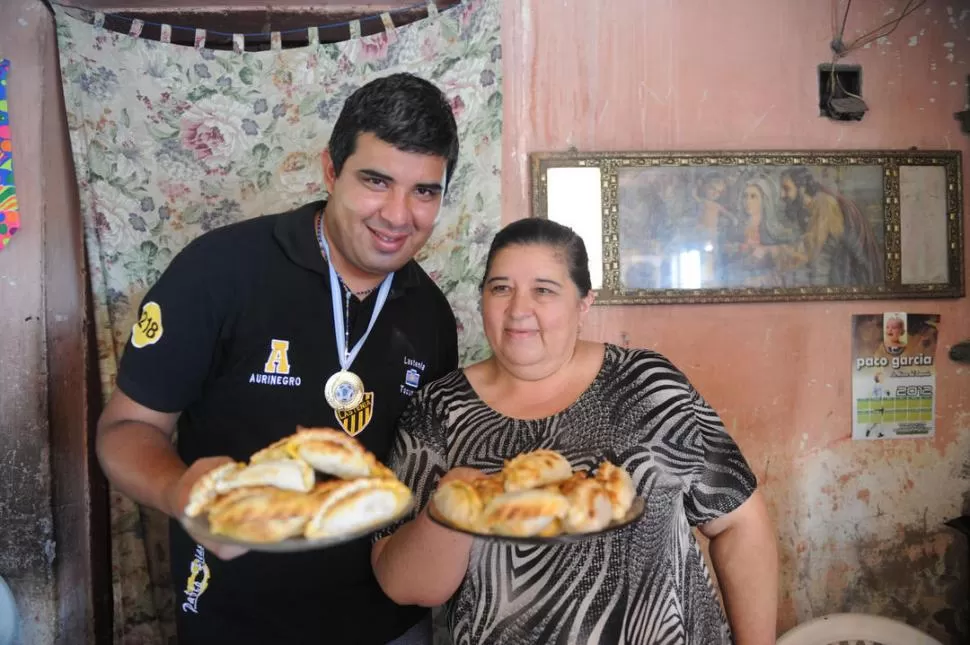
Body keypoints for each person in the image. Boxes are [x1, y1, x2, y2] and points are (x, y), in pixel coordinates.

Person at [95, 72, 461, 645]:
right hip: (234, 619)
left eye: (424, 191)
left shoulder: (432, 316)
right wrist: (177, 491)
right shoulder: (219, 270)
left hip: (387, 628)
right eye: (376, 180)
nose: (397, 214)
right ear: (330, 170)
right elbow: (124, 430)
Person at [371, 217, 779, 644]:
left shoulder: (648, 387)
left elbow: (740, 524)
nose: (518, 309)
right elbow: (405, 586)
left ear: (584, 303)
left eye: (544, 290)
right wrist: (451, 506)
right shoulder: (441, 410)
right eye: (500, 288)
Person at [753, 167, 883, 286]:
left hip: (847, 277)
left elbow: (809, 250)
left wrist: (771, 251)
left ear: (802, 188)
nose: (782, 195)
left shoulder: (824, 203)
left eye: (787, 189)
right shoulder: (808, 209)